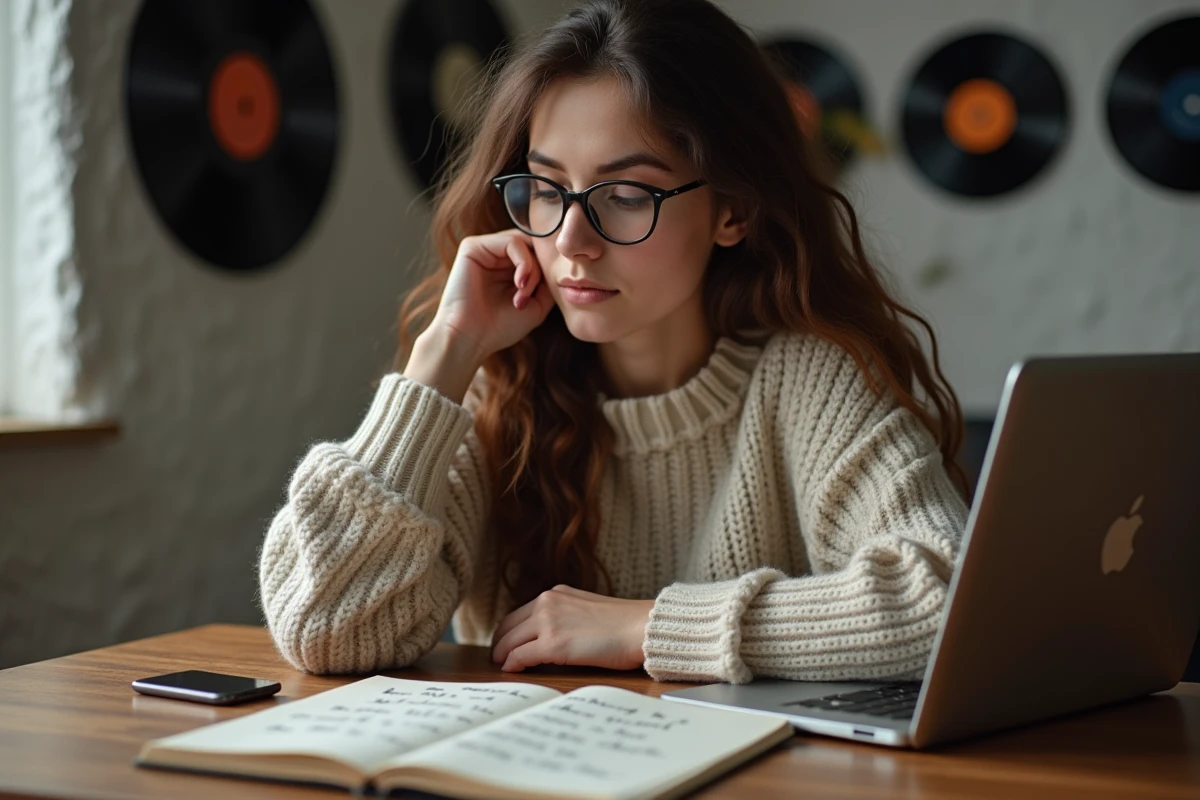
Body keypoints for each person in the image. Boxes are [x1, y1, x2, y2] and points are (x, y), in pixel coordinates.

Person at [258, 0, 970, 684]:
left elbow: (946, 598)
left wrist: (648, 628)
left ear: (734, 211)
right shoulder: (495, 388)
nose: (571, 241)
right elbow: (326, 630)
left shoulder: (808, 381)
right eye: (545, 189)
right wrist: (443, 354)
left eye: (626, 195)